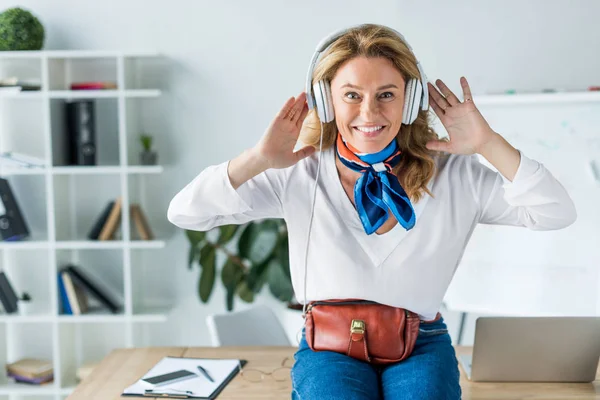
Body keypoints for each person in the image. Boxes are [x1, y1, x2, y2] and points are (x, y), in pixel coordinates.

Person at [167, 24, 576, 400]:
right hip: (328, 343)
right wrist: (256, 159)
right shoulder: (297, 172)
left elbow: (556, 211)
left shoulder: (455, 175)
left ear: (410, 99)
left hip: (421, 342)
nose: (369, 113)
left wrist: (489, 144)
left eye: (386, 94)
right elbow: (185, 213)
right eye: (351, 95)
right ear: (326, 101)